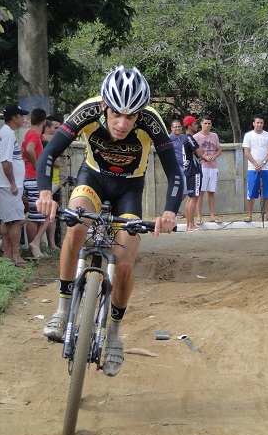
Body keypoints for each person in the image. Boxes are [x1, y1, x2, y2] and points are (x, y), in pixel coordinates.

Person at [36, 65, 182, 376]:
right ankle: (62, 311)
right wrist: (46, 193)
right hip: (93, 180)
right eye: (117, 113)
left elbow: (174, 173)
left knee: (125, 260)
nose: (122, 122)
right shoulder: (86, 111)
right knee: (75, 226)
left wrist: (169, 211)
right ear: (104, 106)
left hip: (130, 189)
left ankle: (114, 336)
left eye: (131, 116)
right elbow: (48, 153)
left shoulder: (151, 121)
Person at [0, 104, 29, 266]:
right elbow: (6, 162)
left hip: (3, 183)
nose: (23, 118)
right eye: (21, 116)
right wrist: (13, 183)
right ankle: (16, 255)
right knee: (18, 220)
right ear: (15, 118)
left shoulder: (3, 133)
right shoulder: (7, 135)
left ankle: (7, 255)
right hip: (9, 186)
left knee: (7, 220)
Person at [22, 108, 48, 258]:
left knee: (39, 213)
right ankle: (33, 246)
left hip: (30, 177)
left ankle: (34, 245)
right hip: (33, 178)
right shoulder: (33, 135)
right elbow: (29, 148)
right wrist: (37, 166)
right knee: (35, 214)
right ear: (44, 121)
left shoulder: (32, 134)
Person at [242, 114, 268, 222]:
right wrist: (255, 164)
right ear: (253, 123)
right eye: (257, 122)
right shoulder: (248, 136)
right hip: (253, 169)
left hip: (266, 168)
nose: (259, 125)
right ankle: (249, 215)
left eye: (261, 123)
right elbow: (246, 152)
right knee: (251, 192)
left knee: (267, 192)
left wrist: (263, 163)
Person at [182, 115, 210, 231]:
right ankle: (190, 225)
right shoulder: (189, 138)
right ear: (189, 125)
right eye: (194, 123)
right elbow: (200, 152)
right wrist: (200, 151)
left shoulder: (183, 138)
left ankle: (189, 224)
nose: (196, 125)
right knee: (194, 197)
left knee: (191, 197)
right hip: (194, 170)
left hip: (188, 170)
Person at [193, 116, 222, 224]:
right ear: (201, 123)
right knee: (200, 192)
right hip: (202, 167)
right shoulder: (196, 137)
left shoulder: (214, 136)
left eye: (209, 123)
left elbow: (219, 149)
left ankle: (212, 215)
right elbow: (194, 152)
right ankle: (199, 217)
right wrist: (204, 157)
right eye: (205, 123)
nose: (207, 125)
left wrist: (214, 156)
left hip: (213, 167)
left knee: (211, 192)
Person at [42, 115, 62, 250]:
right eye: (56, 128)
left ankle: (52, 244)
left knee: (55, 216)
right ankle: (48, 243)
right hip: (48, 186)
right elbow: (57, 162)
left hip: (57, 183)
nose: (59, 130)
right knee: (49, 216)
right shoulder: (44, 143)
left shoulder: (58, 142)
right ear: (47, 128)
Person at [168, 119, 187, 219]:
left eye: (179, 126)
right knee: (179, 189)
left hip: (186, 166)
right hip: (176, 167)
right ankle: (174, 211)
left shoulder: (184, 138)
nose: (177, 128)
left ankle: (174, 210)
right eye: (175, 127)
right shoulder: (168, 139)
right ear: (171, 128)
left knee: (186, 191)